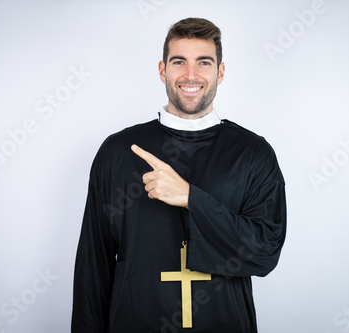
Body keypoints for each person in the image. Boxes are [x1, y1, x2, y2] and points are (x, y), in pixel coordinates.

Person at [72, 17, 286, 333]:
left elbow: (265, 252)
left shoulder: (253, 153)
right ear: (163, 70)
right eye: (178, 62)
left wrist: (190, 198)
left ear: (220, 72)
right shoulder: (119, 152)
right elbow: (94, 266)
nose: (190, 75)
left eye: (203, 62)